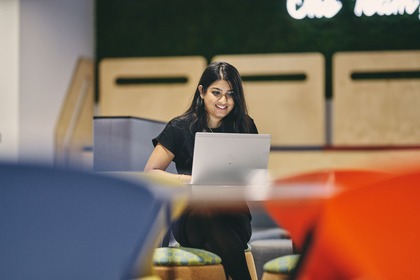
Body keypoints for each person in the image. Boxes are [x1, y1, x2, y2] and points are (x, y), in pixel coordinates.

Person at [144, 61, 258, 280]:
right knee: (207, 213)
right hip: (192, 217)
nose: (224, 101)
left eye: (231, 94)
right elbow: (151, 172)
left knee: (217, 234)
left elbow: (250, 173)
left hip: (234, 215)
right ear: (202, 91)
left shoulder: (244, 125)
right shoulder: (179, 127)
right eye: (216, 93)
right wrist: (190, 179)